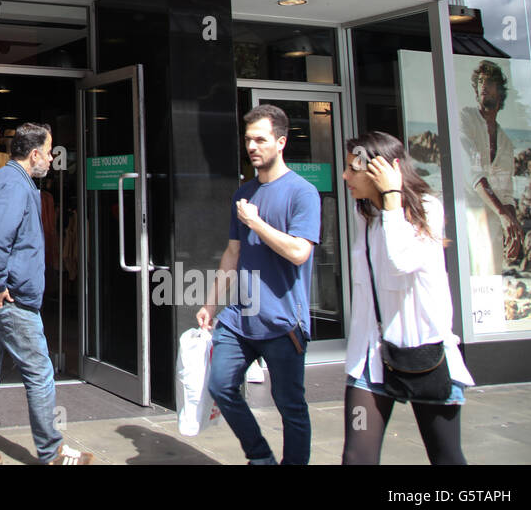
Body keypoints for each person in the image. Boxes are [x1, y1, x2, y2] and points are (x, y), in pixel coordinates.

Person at [0, 121, 92, 465]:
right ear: (34, 155)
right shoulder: (16, 184)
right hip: (9, 298)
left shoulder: (3, 178)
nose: (50, 159)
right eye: (47, 152)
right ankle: (51, 452)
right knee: (40, 370)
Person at [341, 130, 473, 465]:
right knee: (356, 457)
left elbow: (401, 261)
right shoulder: (365, 215)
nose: (345, 176)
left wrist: (393, 198)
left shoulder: (427, 208)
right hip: (370, 362)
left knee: (446, 456)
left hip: (425, 355)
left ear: (385, 169)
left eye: (353, 169)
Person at [198, 104, 320, 465]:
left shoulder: (303, 193)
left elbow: (299, 252)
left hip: (284, 321)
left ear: (281, 142)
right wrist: (211, 304)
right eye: (248, 139)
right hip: (240, 318)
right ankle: (261, 456)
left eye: (261, 139)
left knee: (290, 406)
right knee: (220, 385)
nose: (252, 146)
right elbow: (232, 254)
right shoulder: (242, 193)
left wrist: (257, 224)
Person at [459, 60, 522, 274]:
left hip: (491, 230)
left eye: (489, 82)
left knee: (490, 290)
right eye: (479, 81)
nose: (483, 86)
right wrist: (503, 215)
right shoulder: (465, 118)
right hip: (466, 220)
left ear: (500, 91)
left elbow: (506, 192)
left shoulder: (505, 141)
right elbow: (472, 171)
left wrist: (513, 229)